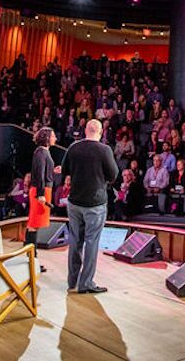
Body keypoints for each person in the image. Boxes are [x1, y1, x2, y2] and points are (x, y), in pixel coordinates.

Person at [59, 119, 118, 294]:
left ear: (85, 130)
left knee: (75, 241)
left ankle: (72, 282)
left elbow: (64, 171)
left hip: (74, 202)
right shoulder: (104, 150)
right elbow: (113, 175)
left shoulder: (73, 148)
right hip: (95, 204)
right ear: (101, 132)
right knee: (91, 242)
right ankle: (86, 283)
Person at [26, 128, 56, 272]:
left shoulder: (44, 152)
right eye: (53, 136)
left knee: (34, 225)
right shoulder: (40, 152)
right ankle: (31, 261)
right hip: (41, 191)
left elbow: (43, 172)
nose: (55, 138)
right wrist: (40, 194)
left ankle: (31, 260)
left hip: (43, 190)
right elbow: (39, 174)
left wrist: (53, 171)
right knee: (33, 224)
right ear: (47, 138)